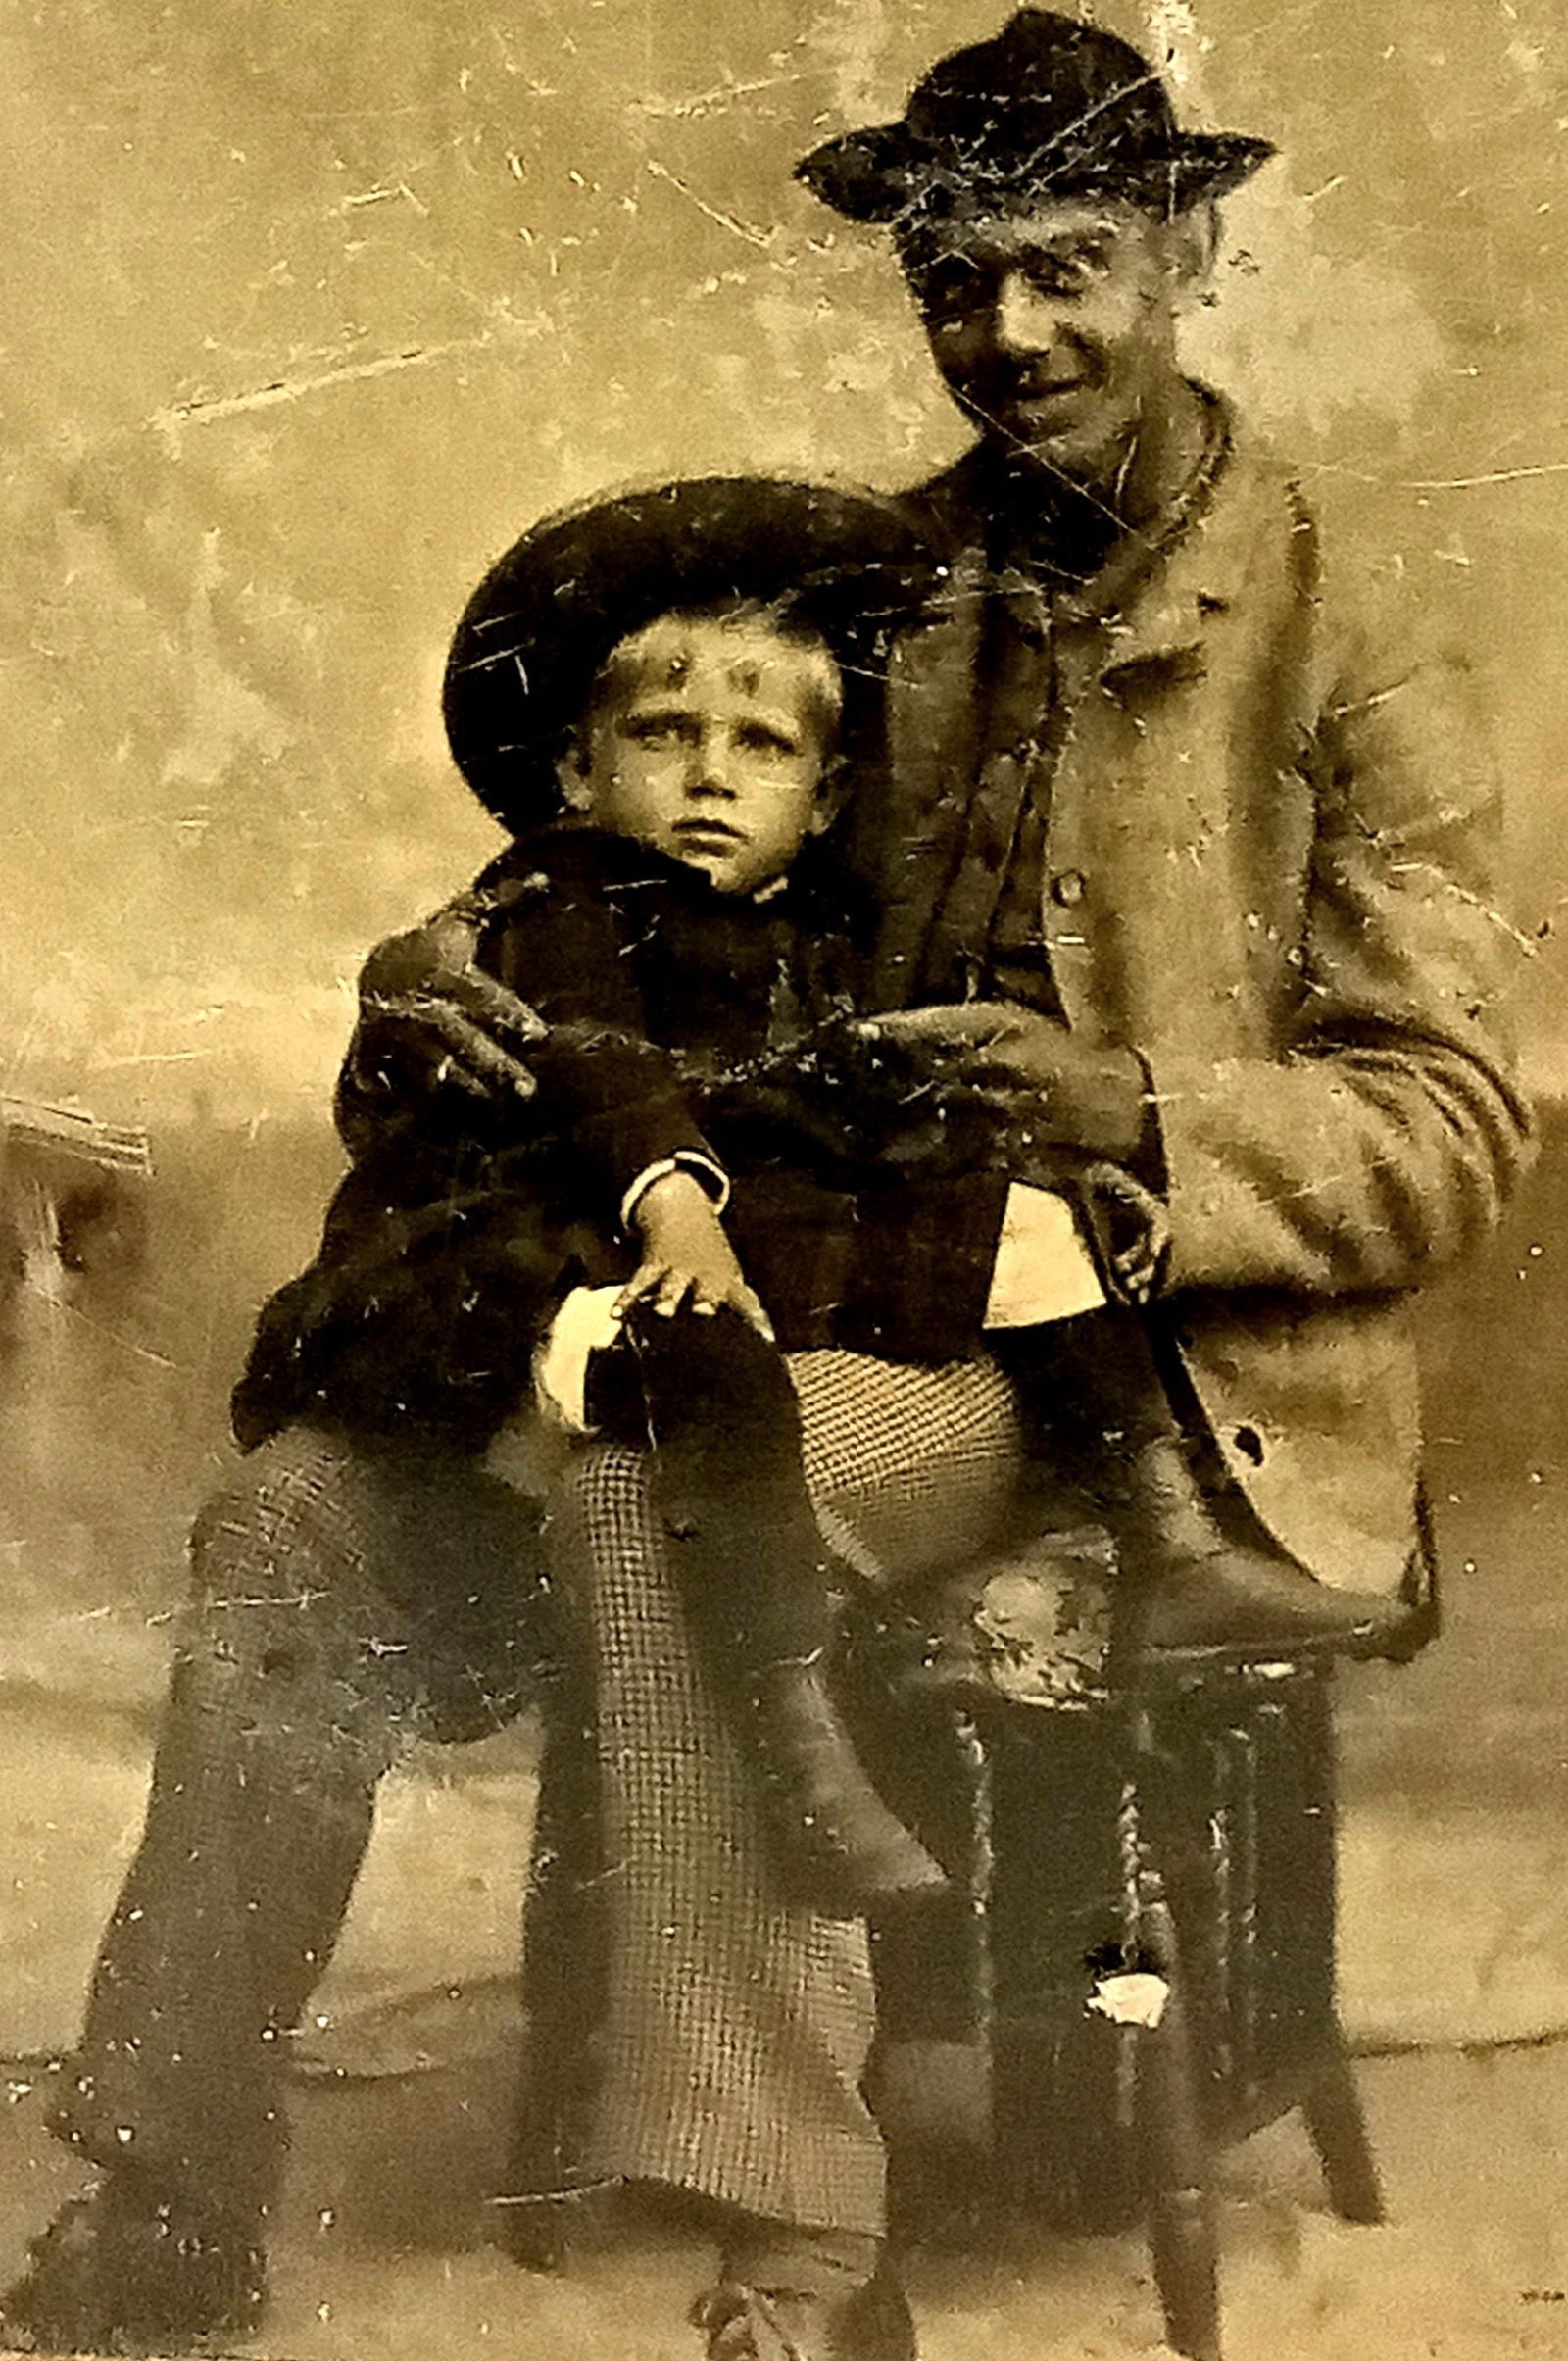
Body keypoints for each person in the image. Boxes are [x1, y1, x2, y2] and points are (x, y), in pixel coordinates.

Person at [4, 17, 1533, 2361]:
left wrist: (1124, 1100)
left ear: (1189, 250)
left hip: (1103, 1350)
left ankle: (807, 2239)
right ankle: (171, 2179)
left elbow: (1440, 1124)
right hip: (736, 1283)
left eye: (1066, 267)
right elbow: (625, 866)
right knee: (294, 1522)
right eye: (954, 279)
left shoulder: (1349, 639)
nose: (1004, 332)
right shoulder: (865, 589)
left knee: (664, 1477)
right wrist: (440, 955)